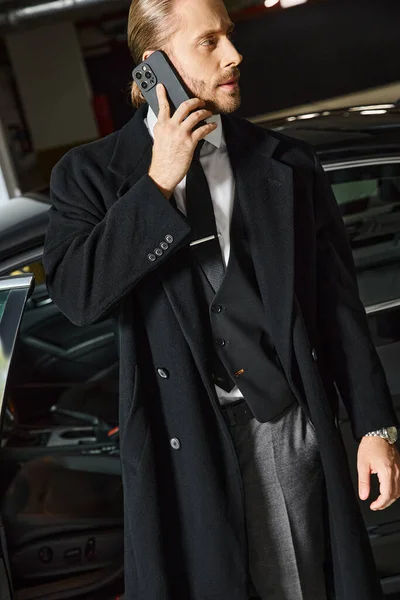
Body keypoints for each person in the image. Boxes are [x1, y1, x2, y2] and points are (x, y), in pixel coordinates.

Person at [42, 0, 400, 598]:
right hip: (181, 442)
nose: (235, 54)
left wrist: (374, 428)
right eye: (209, 42)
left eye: (228, 37)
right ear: (155, 64)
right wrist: (159, 184)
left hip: (286, 426)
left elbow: (338, 308)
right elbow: (79, 297)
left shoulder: (286, 164)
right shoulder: (89, 177)